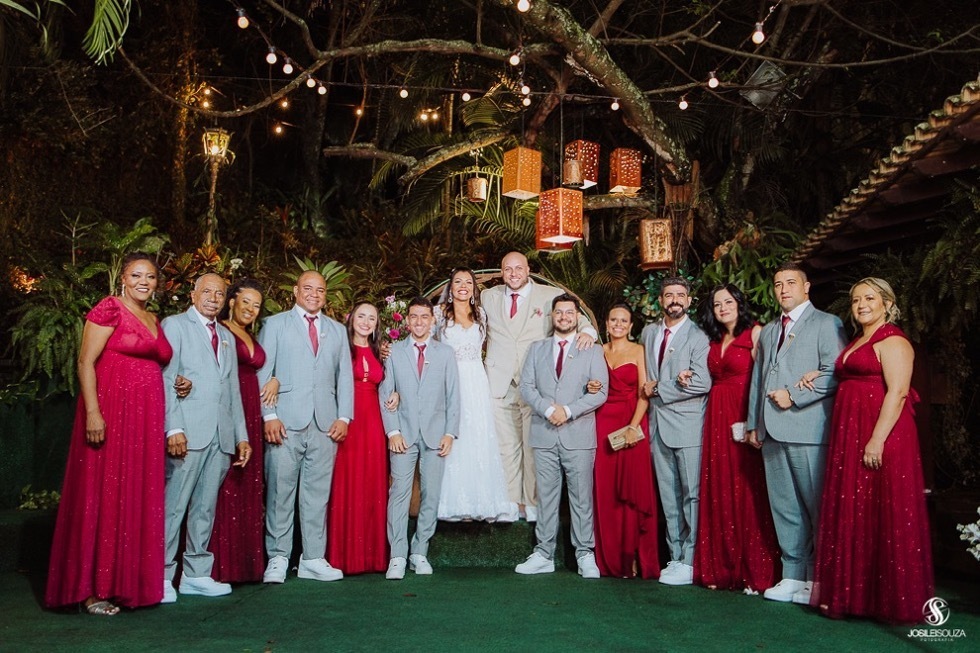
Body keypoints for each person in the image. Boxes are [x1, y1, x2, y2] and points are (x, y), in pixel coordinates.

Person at [45, 253, 184, 615]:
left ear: (157, 283)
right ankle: (93, 590)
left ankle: (129, 585)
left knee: (135, 494)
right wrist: (93, 412)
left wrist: (179, 383)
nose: (144, 282)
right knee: (104, 493)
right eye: (137, 275)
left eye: (150, 277)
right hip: (113, 413)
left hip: (146, 420)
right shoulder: (109, 308)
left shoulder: (153, 318)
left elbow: (156, 364)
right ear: (123, 278)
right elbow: (84, 361)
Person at [808, 278, 933, 623]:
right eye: (856, 300)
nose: (862, 304)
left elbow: (898, 393)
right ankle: (853, 596)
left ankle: (888, 601)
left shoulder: (893, 340)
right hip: (851, 432)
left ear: (887, 303)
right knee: (856, 509)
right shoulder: (859, 339)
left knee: (884, 511)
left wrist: (876, 439)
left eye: (870, 298)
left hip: (882, 432)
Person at [746, 262, 846, 605]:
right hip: (772, 429)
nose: (783, 289)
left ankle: (818, 578)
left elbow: (835, 371)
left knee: (816, 506)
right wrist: (753, 423)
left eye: (790, 283)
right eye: (777, 284)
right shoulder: (771, 330)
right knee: (784, 506)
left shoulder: (827, 323)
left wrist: (796, 395)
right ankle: (792, 574)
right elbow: (759, 379)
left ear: (806, 287)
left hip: (808, 429)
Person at [483, 251, 597, 521]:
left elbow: (577, 316)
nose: (513, 274)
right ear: (501, 271)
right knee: (505, 446)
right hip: (499, 383)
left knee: (532, 446)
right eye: (507, 269)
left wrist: (588, 332)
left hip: (536, 383)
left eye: (518, 268)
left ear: (528, 269)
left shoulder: (548, 294)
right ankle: (510, 504)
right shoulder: (489, 296)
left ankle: (532, 503)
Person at [257, 270, 354, 584]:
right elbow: (264, 372)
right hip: (285, 422)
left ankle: (313, 558)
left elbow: (344, 378)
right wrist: (268, 415)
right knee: (279, 492)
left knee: (317, 495)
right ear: (295, 291)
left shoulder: (337, 330)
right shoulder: (275, 324)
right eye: (308, 288)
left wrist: (344, 416)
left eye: (320, 290)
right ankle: (278, 558)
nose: (314, 294)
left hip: (325, 424)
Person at [161, 273, 251, 603]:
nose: (213, 297)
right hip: (189, 432)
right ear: (193, 293)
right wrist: (174, 428)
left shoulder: (224, 336)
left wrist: (241, 435)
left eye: (219, 293)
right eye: (207, 291)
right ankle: (161, 575)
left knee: (205, 508)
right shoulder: (175, 326)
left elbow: (231, 390)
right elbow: (166, 378)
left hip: (220, 436)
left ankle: (196, 574)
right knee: (175, 506)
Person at [692, 284, 780, 593]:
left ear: (739, 304)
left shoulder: (755, 333)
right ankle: (721, 567)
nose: (723, 308)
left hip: (743, 412)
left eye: (728, 302)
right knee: (719, 486)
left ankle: (753, 569)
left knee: (747, 487)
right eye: (717, 304)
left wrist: (754, 421)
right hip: (716, 415)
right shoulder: (714, 339)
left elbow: (767, 376)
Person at [515, 294, 607, 579]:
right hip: (544, 434)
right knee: (546, 498)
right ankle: (544, 553)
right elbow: (526, 387)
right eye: (559, 312)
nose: (564, 317)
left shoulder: (591, 350)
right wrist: (546, 408)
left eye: (569, 312)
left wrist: (567, 410)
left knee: (581, 498)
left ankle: (584, 554)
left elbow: (600, 392)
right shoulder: (537, 349)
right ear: (552, 316)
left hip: (577, 436)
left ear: (577, 316)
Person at [380, 297, 460, 579]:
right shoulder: (395, 352)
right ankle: (398, 555)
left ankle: (419, 551)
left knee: (431, 494)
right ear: (406, 321)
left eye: (424, 317)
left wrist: (450, 433)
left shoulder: (445, 353)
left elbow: (453, 396)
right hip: (403, 433)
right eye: (413, 317)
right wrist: (393, 431)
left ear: (433, 320)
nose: (419, 322)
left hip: (436, 435)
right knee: (399, 494)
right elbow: (386, 391)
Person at [640, 277, 711, 586]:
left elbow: (701, 381)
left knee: (692, 495)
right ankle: (675, 556)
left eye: (680, 295)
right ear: (660, 301)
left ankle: (692, 560)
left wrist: (660, 388)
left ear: (690, 300)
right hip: (658, 426)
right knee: (668, 496)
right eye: (669, 295)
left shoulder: (699, 337)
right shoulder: (649, 332)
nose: (674, 300)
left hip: (688, 425)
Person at [208, 279, 278, 583]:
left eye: (256, 305)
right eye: (245, 301)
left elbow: (264, 368)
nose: (250, 309)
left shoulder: (252, 334)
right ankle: (216, 567)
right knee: (224, 485)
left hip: (253, 411)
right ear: (232, 301)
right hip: (229, 409)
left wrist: (275, 379)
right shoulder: (219, 331)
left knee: (248, 484)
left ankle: (245, 566)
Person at [435, 268, 517, 522]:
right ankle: (454, 501)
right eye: (457, 281)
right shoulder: (438, 315)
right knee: (454, 435)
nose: (463, 286)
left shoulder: (481, 314)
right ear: (450, 287)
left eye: (468, 282)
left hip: (476, 380)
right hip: (449, 380)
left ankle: (482, 500)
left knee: (478, 435)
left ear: (473, 288)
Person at [590, 304, 660, 578]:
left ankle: (631, 558)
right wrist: (591, 386)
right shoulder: (597, 351)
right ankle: (609, 559)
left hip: (632, 423)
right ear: (606, 324)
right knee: (606, 492)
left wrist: (633, 426)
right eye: (614, 320)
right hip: (602, 423)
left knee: (632, 491)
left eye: (624, 321)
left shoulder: (639, 351)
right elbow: (589, 382)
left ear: (631, 326)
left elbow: (645, 392)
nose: (618, 324)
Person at [326, 301, 392, 574]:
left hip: (374, 424)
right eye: (361, 316)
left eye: (372, 318)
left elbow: (389, 383)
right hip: (348, 421)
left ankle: (372, 557)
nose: (366, 322)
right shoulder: (340, 348)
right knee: (347, 482)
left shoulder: (381, 352)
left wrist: (395, 392)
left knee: (372, 483)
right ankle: (343, 556)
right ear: (351, 318)